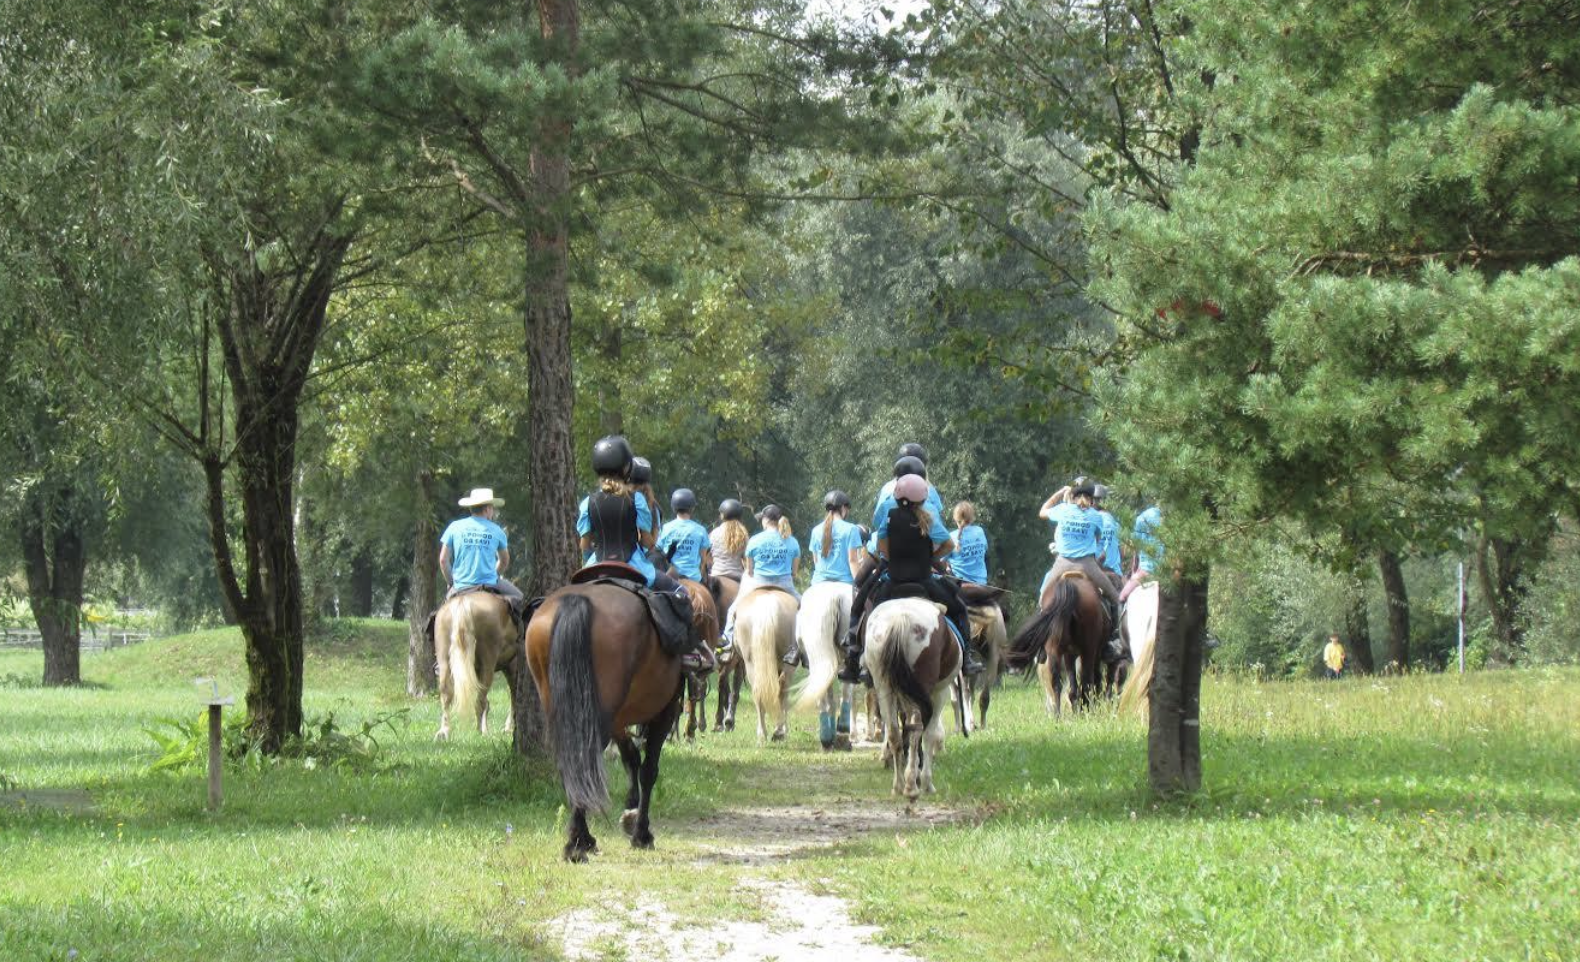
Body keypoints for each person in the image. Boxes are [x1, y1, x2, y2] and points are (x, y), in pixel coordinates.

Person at [576, 435, 712, 672]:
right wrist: (650, 543)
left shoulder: (587, 503)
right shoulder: (636, 500)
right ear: (627, 467)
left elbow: (584, 544)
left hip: (595, 567)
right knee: (680, 592)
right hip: (634, 566)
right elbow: (648, 542)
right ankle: (689, 651)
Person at [842, 474, 980, 682]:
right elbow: (949, 546)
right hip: (925, 581)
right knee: (959, 608)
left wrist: (894, 559)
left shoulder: (889, 516)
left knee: (862, 607)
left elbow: (881, 548)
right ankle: (967, 657)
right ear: (923, 498)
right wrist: (929, 558)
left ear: (897, 497)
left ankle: (855, 658)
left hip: (894, 581)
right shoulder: (929, 517)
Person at [781, 491, 865, 667]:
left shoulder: (816, 530)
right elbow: (852, 560)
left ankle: (796, 648)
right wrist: (860, 582)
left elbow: (816, 560)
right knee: (862, 608)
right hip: (844, 581)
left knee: (802, 607)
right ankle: (855, 642)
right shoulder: (851, 529)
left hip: (819, 582)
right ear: (843, 508)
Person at [1037, 479, 1122, 614]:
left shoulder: (1063, 510)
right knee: (1116, 598)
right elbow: (1097, 539)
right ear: (1091, 499)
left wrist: (1059, 493)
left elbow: (1042, 512)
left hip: (1062, 564)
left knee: (1042, 601)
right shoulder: (1096, 516)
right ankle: (1117, 630)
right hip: (1087, 565)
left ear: (1072, 496)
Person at [723, 504, 802, 641]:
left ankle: (728, 641)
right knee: (806, 608)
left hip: (758, 583)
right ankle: (804, 646)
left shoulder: (755, 540)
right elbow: (794, 572)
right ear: (779, 520)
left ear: (765, 521)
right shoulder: (792, 541)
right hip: (785, 584)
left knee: (732, 610)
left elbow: (750, 570)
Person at [439, 487, 525, 610]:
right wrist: (494, 574)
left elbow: (443, 560)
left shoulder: (454, 527)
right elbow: (504, 561)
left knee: (439, 618)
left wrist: (451, 582)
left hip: (460, 585)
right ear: (487, 509)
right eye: (492, 508)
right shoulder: (497, 530)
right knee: (520, 598)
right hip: (489, 584)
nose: (493, 512)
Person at [656, 488, 712, 582]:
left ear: (673, 507)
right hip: (694, 578)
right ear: (692, 508)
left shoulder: (666, 528)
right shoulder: (701, 530)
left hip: (670, 577)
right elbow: (703, 559)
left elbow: (658, 551)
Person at [1120, 503, 1164, 602]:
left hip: (1146, 571)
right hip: (1165, 574)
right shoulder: (1170, 520)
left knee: (1122, 596)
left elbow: (1135, 547)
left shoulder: (1141, 518)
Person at [947, 501, 990, 585]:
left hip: (960, 585)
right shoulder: (979, 531)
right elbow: (985, 549)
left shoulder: (951, 537)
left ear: (955, 518)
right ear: (972, 517)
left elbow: (940, 560)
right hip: (982, 583)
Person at [1092, 484, 1124, 593]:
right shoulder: (1115, 523)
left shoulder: (1088, 519)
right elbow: (1121, 552)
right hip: (1113, 571)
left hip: (1091, 568)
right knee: (1121, 602)